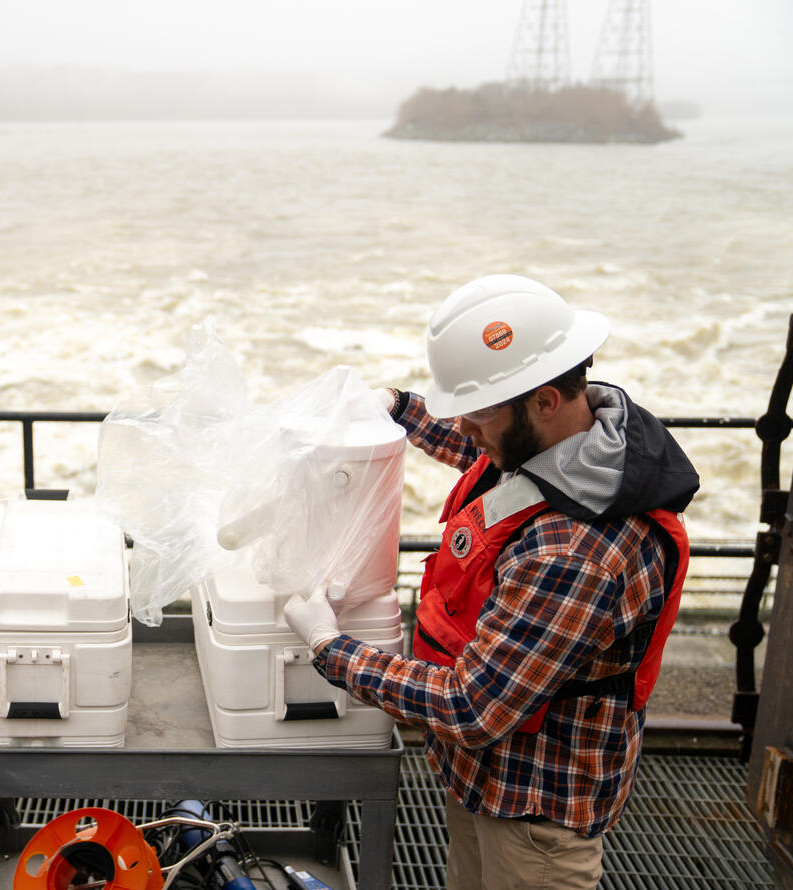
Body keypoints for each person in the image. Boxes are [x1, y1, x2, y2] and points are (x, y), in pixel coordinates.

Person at [284, 274, 699, 890]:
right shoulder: (572, 438)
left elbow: (471, 705)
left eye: (477, 412)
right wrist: (396, 406)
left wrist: (330, 648)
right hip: (483, 782)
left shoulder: (577, 553)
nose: (467, 430)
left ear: (545, 401)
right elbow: (482, 452)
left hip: (535, 820)